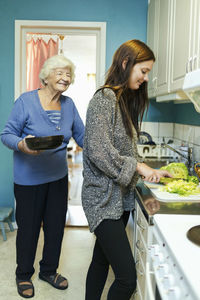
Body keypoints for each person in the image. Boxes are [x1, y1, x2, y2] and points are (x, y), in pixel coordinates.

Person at [81, 39, 172, 300]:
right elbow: (98, 151)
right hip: (102, 200)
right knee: (126, 279)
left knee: (100, 261)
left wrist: (148, 170)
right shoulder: (104, 99)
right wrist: (139, 166)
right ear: (125, 63)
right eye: (143, 71)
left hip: (117, 200)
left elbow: (121, 151)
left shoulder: (122, 101)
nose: (145, 78)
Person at [1, 55, 84, 298]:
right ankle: (23, 274)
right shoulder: (25, 102)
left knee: (56, 228)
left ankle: (48, 270)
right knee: (28, 230)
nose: (65, 78)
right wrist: (21, 145)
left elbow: (82, 136)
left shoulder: (69, 104)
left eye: (68, 74)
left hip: (58, 178)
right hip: (28, 180)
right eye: (59, 72)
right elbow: (6, 134)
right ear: (45, 77)